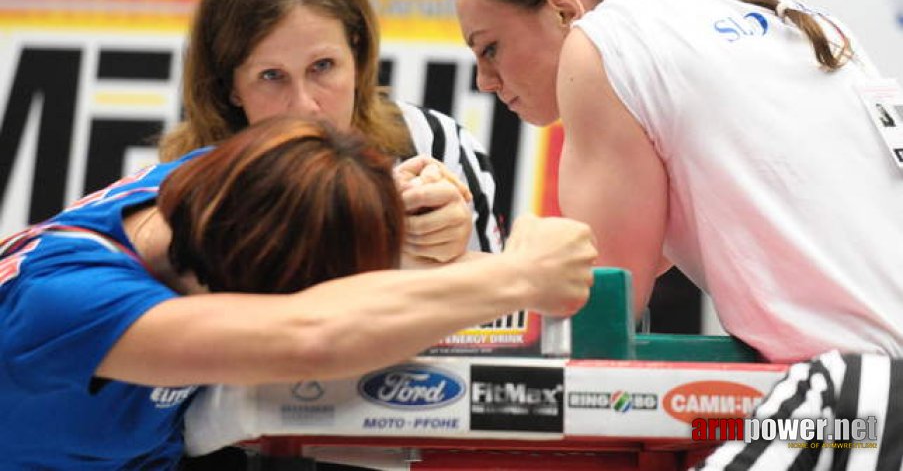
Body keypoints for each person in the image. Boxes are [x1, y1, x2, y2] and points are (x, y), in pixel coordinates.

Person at [452, 0, 903, 469]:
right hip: (863, 401)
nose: (487, 80)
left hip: (858, 406)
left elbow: (596, 301)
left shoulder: (604, 42)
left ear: (564, 11)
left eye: (490, 48)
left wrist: (423, 290)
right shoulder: (783, 14)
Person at [0, 116, 597, 469]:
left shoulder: (219, 183)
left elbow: (317, 204)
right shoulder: (69, 299)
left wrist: (412, 208)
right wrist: (517, 277)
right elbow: (314, 335)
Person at [158, 0, 502, 266]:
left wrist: (454, 256)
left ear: (356, 52)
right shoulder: (183, 189)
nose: (305, 105)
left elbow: (496, 317)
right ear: (229, 85)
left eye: (322, 66)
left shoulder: (434, 145)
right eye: (271, 76)